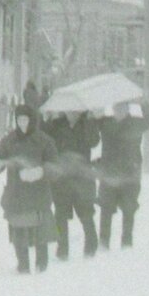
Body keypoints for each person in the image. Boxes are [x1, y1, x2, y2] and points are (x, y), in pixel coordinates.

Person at [0, 105, 59, 273]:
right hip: (16, 196)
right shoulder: (9, 141)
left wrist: (40, 172)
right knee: (19, 235)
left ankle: (42, 267)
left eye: (25, 120)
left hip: (38, 197)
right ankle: (23, 267)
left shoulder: (44, 141)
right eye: (19, 120)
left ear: (32, 121)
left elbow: (55, 167)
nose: (22, 123)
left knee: (41, 236)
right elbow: (1, 157)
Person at [96, 100, 149, 249]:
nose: (119, 110)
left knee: (129, 208)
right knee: (106, 208)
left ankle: (126, 242)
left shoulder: (136, 123)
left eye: (122, 107)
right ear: (112, 108)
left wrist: (144, 104)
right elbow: (91, 126)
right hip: (109, 173)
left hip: (130, 173)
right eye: (116, 107)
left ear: (128, 108)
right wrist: (95, 109)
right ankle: (104, 242)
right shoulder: (106, 122)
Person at [42, 108, 101, 259]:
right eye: (68, 110)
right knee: (60, 215)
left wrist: (89, 121)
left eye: (74, 110)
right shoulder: (56, 124)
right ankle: (63, 249)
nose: (71, 113)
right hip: (62, 178)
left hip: (82, 177)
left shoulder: (86, 123)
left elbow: (93, 141)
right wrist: (47, 120)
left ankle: (91, 246)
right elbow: (44, 139)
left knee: (86, 213)